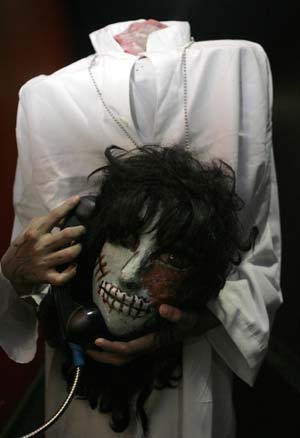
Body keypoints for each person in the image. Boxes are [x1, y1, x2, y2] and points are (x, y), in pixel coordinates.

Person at [0, 19, 282, 438]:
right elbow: (33, 257)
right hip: (81, 359)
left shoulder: (236, 67)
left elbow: (260, 247)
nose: (132, 272)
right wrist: (14, 275)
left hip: (189, 364)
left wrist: (199, 319)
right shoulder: (45, 97)